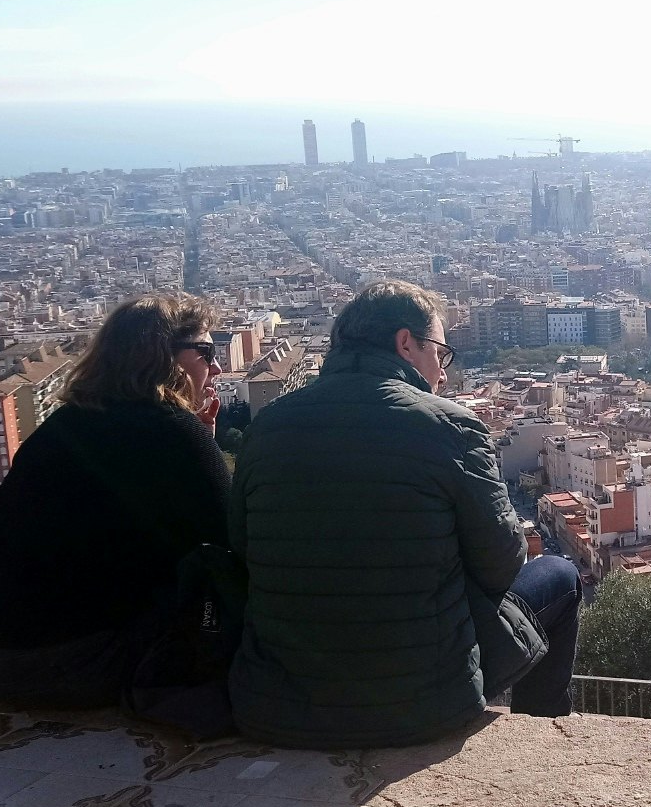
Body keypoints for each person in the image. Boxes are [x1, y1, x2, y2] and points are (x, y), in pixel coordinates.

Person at [229, 281, 583, 748]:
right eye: (440, 353)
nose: (442, 373)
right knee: (560, 573)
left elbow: (242, 548)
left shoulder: (266, 428)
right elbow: (502, 565)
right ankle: (540, 743)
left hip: (278, 704)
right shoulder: (450, 428)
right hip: (422, 703)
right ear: (405, 344)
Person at [0, 295, 231, 708]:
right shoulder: (174, 430)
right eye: (207, 352)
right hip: (61, 663)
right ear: (164, 357)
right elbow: (228, 544)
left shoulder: (62, 425)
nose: (218, 367)